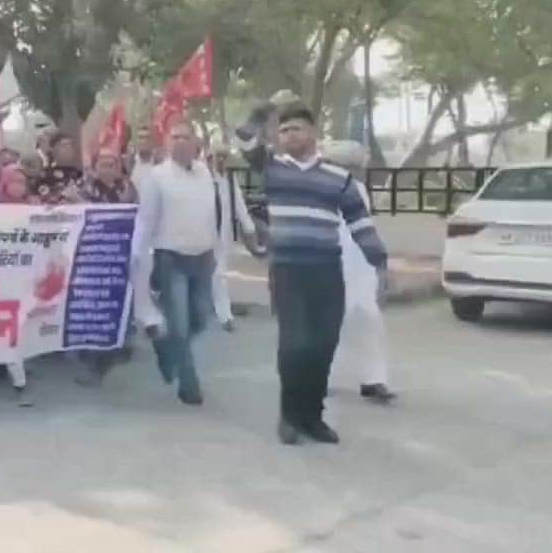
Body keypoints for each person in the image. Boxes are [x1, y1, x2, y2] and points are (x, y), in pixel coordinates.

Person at [235, 104, 388, 445]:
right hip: (289, 273)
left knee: (322, 345)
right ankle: (289, 417)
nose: (290, 135)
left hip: (326, 272)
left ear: (313, 133)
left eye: (297, 129)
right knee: (294, 346)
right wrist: (258, 117)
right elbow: (245, 140)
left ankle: (312, 417)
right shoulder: (272, 169)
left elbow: (360, 222)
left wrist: (380, 263)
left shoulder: (337, 178)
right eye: (284, 130)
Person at [134, 121, 219, 407]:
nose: (181, 141)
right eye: (175, 136)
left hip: (203, 256)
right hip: (171, 258)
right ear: (167, 143)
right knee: (180, 323)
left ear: (196, 143)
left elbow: (210, 214)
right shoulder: (157, 177)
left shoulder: (206, 173)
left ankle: (165, 347)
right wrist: (138, 253)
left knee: (200, 317)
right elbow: (146, 219)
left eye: (186, 137)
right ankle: (188, 382)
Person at [324, 140, 396, 405]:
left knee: (369, 322)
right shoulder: (323, 190)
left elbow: (366, 230)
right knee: (330, 327)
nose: (357, 171)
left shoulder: (361, 190)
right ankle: (321, 379)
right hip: (330, 266)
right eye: (352, 167)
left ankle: (373, 380)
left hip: (361, 267)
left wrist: (380, 266)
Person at [73, 149, 140, 387]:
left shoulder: (127, 188)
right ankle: (91, 357)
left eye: (112, 163)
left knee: (119, 303)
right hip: (91, 255)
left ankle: (116, 346)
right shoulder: (83, 187)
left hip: (120, 255)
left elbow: (136, 214)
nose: (108, 168)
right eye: (103, 163)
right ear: (95, 165)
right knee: (92, 306)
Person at [0, 163, 36, 407]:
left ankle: (11, 366)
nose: (18, 186)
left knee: (19, 327)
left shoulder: (33, 208)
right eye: (13, 181)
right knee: (7, 326)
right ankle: (19, 382)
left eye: (22, 182)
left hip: (25, 277)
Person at [206, 139, 257, 333]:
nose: (218, 160)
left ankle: (224, 315)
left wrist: (249, 227)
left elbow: (239, 204)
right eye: (215, 156)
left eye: (222, 156)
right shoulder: (202, 178)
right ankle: (215, 312)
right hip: (203, 233)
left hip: (223, 233)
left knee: (219, 273)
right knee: (210, 274)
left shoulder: (229, 178)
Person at [33, 133, 82, 205]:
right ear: (53, 149)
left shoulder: (79, 174)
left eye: (71, 146)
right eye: (64, 146)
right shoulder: (44, 176)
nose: (69, 149)